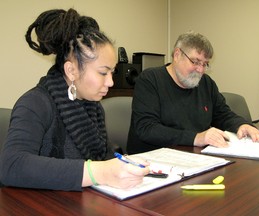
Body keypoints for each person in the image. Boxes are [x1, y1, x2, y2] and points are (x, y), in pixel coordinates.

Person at [0, 8, 149, 191]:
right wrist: (99, 172)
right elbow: (12, 166)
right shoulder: (35, 104)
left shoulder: (94, 107)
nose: (110, 82)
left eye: (113, 72)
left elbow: (102, 156)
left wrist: (125, 164)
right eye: (103, 72)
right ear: (71, 70)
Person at [127, 31, 259, 154]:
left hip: (193, 157)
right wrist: (196, 138)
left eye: (205, 64)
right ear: (177, 55)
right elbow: (147, 128)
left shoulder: (206, 83)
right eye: (195, 62)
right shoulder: (150, 80)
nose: (200, 70)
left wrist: (241, 125)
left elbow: (223, 114)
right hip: (152, 160)